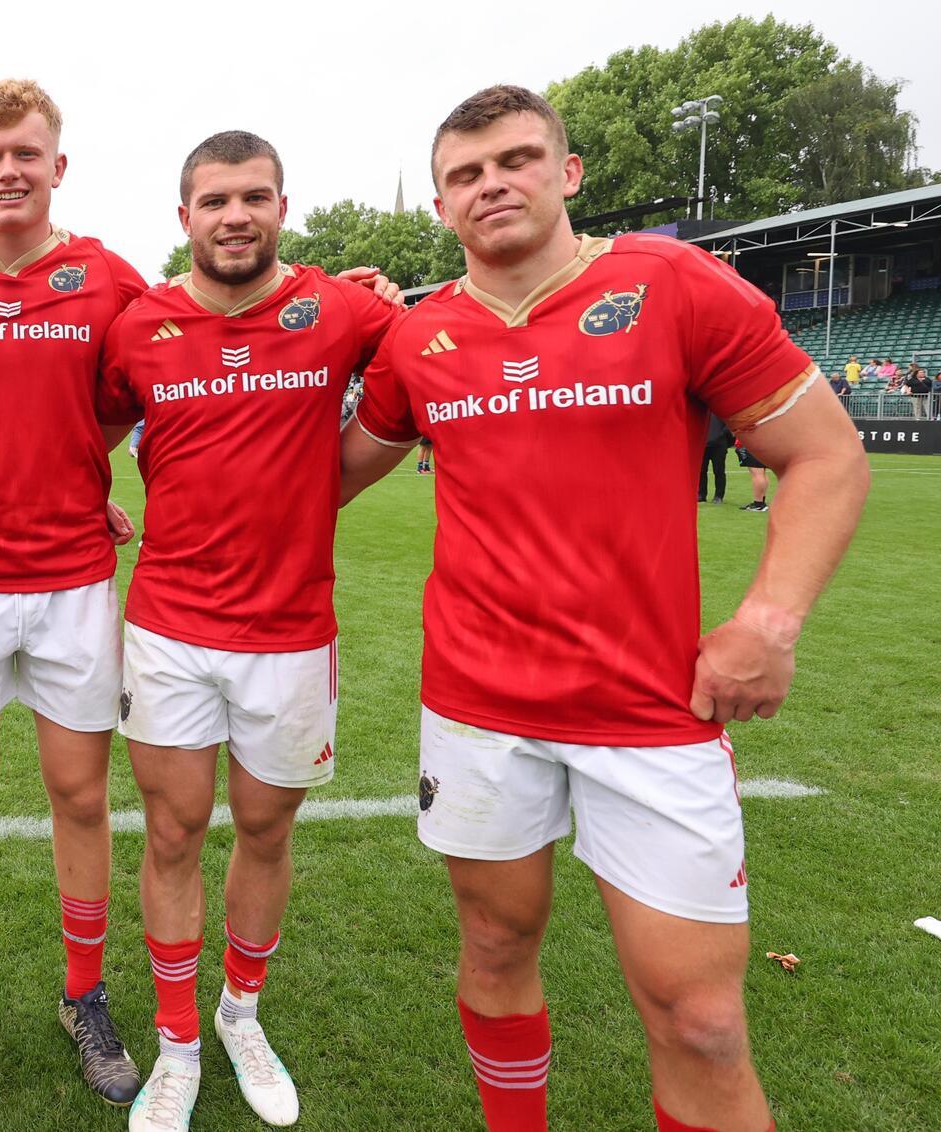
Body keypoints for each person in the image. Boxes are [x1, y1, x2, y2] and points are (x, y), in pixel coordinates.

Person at [342, 84, 867, 1132]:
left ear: (567, 172)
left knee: (701, 1018)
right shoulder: (418, 336)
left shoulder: (671, 284)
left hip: (652, 709)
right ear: (441, 206)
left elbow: (825, 454)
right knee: (495, 947)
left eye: (516, 160)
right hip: (477, 707)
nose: (491, 185)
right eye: (464, 174)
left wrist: (767, 622)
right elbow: (320, 479)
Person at [0, 80, 401, 1104]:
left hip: (75, 580)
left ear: (57, 164)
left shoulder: (110, 280)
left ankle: (85, 994)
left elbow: (124, 397)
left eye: (26, 152)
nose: (9, 170)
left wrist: (74, 479)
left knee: (81, 796)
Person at [97, 130, 401, 1132]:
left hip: (290, 631)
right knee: (174, 831)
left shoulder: (339, 307)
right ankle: (178, 1042)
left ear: (281, 207)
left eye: (254, 197)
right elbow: (82, 428)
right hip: (170, 628)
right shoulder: (137, 327)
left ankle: (239, 1012)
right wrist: (90, 496)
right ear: (183, 215)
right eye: (216, 200)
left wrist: (334, 481)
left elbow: (417, 374)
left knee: (266, 830)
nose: (236, 216)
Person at [697, 411, 731, 504]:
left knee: (719, 471)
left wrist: (721, 434)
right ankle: (701, 494)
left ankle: (718, 496)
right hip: (702, 444)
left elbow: (728, 424)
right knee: (701, 471)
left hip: (719, 445)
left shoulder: (720, 410)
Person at [737, 437, 772, 512]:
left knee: (757, 474)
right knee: (762, 472)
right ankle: (761, 502)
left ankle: (758, 504)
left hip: (753, 444)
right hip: (763, 444)